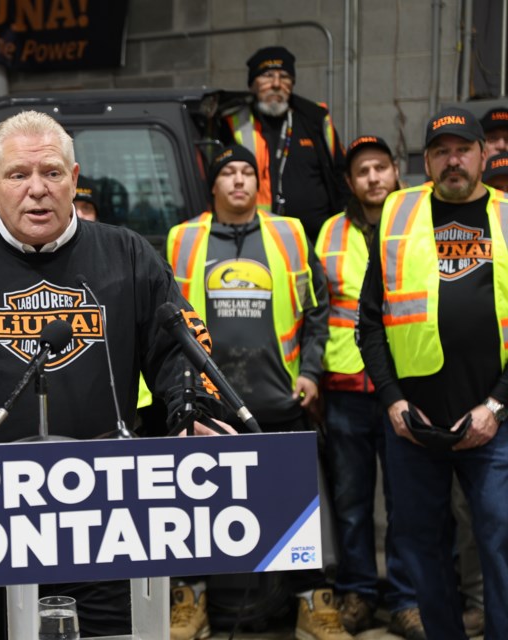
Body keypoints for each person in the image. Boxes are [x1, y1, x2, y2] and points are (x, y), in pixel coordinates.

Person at [0, 110, 223, 640]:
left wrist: (187, 412)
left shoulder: (127, 255)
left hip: (107, 509)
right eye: (19, 175)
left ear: (74, 178)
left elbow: (179, 345)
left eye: (52, 174)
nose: (37, 190)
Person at [167, 145, 348, 640]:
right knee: (198, 505)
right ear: (214, 185)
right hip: (210, 404)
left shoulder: (288, 233)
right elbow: (167, 321)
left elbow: (317, 310)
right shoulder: (182, 239)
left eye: (248, 171)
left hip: (281, 398)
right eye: (229, 172)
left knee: (298, 505)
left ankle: (315, 604)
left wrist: (310, 372)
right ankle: (192, 599)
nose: (240, 181)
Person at [358, 107, 508, 639]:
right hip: (413, 424)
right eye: (441, 151)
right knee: (421, 544)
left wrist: (495, 407)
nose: (453, 161)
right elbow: (370, 323)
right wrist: (394, 401)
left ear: (483, 154)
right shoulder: (398, 214)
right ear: (426, 160)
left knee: (500, 541)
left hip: (493, 422)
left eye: (463, 149)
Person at [314, 138, 425, 639]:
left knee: (406, 500)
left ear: (397, 171)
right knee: (352, 500)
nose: (374, 178)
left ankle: (405, 598)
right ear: (350, 182)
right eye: (363, 171)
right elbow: (317, 308)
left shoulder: (417, 221)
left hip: (404, 386)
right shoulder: (330, 233)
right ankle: (358, 591)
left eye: (381, 167)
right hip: (344, 388)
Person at [223, 46, 350, 243]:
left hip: (320, 239)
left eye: (284, 77)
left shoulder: (315, 119)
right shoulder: (234, 123)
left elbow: (341, 172)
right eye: (267, 75)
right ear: (252, 84)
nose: (276, 84)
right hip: (259, 237)